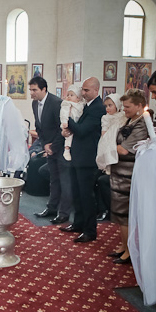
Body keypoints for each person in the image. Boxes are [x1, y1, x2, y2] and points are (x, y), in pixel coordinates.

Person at [59, 77, 106, 242]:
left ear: (96, 90)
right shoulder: (87, 106)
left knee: (87, 196)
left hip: (87, 159)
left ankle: (89, 231)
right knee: (77, 193)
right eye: (83, 90)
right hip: (78, 156)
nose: (83, 93)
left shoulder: (98, 108)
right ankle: (78, 223)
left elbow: (82, 130)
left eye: (86, 90)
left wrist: (67, 119)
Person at [107, 89, 149, 264]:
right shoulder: (130, 120)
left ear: (140, 106)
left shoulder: (142, 124)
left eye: (128, 107)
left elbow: (124, 148)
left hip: (128, 174)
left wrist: (109, 143)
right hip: (120, 172)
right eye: (123, 107)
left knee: (124, 214)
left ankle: (130, 251)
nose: (124, 110)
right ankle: (123, 246)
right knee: (119, 213)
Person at [30, 76, 72, 224]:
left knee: (64, 181)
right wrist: (45, 145)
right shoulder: (35, 104)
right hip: (49, 147)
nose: (32, 93)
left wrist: (53, 146)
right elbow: (39, 126)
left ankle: (64, 213)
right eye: (30, 90)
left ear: (44, 89)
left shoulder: (56, 103)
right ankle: (52, 208)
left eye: (34, 90)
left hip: (61, 148)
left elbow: (62, 128)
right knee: (54, 180)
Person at [94, 92, 125, 221]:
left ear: (117, 105)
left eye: (110, 105)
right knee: (94, 178)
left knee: (103, 181)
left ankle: (108, 209)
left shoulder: (123, 118)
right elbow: (105, 137)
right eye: (106, 105)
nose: (107, 108)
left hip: (117, 156)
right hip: (105, 150)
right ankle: (101, 209)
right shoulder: (105, 118)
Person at [60, 84, 85, 161]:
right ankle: (66, 149)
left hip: (77, 124)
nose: (69, 97)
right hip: (68, 123)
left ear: (78, 98)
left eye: (72, 95)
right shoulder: (66, 104)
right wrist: (65, 122)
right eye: (68, 95)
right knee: (68, 135)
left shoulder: (81, 104)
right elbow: (64, 113)